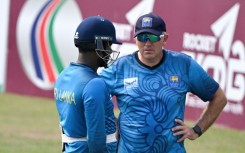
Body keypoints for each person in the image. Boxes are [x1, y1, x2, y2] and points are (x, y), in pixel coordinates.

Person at [99, 12, 227, 153]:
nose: (147, 43)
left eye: (153, 37)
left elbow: (219, 98)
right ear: (135, 40)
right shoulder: (120, 68)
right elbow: (92, 95)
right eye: (142, 37)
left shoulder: (183, 65)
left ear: (165, 38)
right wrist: (113, 123)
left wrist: (196, 130)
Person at [54, 16, 121, 153]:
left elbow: (79, 117)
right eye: (109, 45)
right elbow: (96, 139)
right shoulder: (95, 84)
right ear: (99, 45)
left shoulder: (63, 76)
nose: (109, 51)